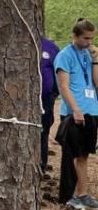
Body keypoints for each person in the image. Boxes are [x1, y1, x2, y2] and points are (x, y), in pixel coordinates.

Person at [55, 18, 98, 210]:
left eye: (92, 38)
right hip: (74, 113)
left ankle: (83, 194)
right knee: (70, 155)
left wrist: (96, 59)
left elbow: (96, 83)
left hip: (91, 111)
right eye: (86, 38)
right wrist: (76, 109)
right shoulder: (65, 55)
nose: (89, 42)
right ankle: (68, 196)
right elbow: (64, 86)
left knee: (84, 155)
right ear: (75, 36)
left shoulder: (89, 55)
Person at [40, 35, 60, 173]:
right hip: (18, 100)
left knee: (43, 131)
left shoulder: (51, 47)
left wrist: (53, 93)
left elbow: (58, 72)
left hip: (46, 99)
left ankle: (41, 164)